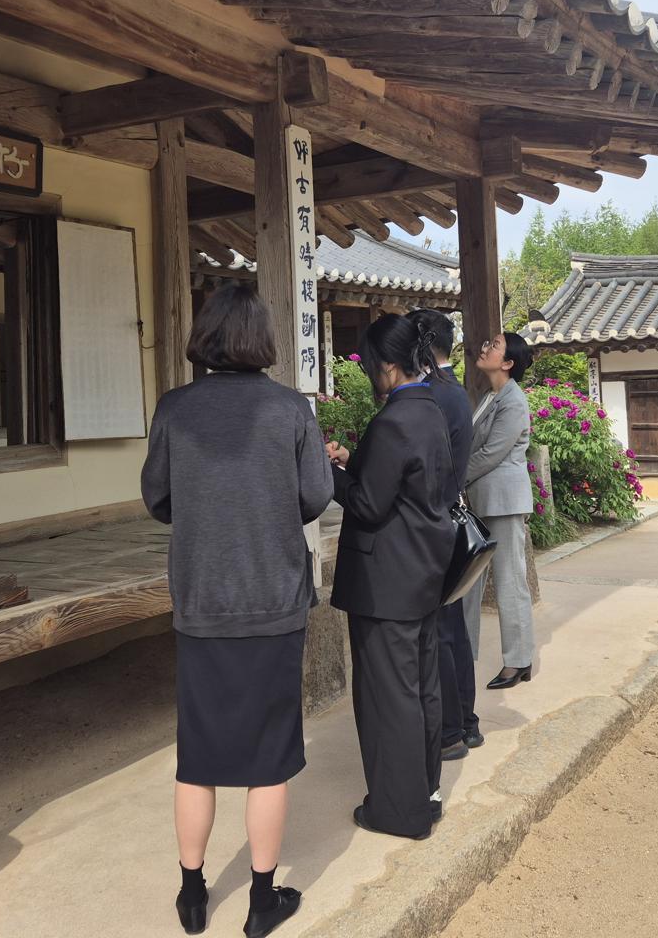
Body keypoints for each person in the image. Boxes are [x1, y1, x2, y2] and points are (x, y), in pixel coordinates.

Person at [140, 283, 333, 937]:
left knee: (198, 754)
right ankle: (260, 901)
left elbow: (157, 498)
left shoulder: (174, 408)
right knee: (268, 758)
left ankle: (192, 895)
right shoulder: (290, 409)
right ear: (261, 338)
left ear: (207, 337)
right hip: (274, 600)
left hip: (201, 600)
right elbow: (314, 496)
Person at [328, 314, 456, 839]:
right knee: (421, 689)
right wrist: (353, 460)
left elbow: (367, 501)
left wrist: (330, 472)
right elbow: (402, 483)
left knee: (388, 697)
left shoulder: (393, 420)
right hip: (422, 572)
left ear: (384, 365)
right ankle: (423, 794)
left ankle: (397, 810)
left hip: (386, 582)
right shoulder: (430, 410)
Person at [407, 309, 482, 761]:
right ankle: (465, 722)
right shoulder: (451, 392)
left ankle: (453, 726)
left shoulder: (432, 394)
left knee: (444, 632)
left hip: (435, 519)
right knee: (452, 628)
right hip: (450, 515)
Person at [462, 331, 537, 691]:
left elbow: (492, 452)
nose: (485, 347)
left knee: (510, 581)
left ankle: (519, 661)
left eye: (493, 345)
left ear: (508, 363)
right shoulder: (490, 396)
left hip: (504, 502)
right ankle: (464, 654)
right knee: (469, 583)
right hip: (483, 500)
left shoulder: (514, 400)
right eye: (487, 342)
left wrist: (453, 477)